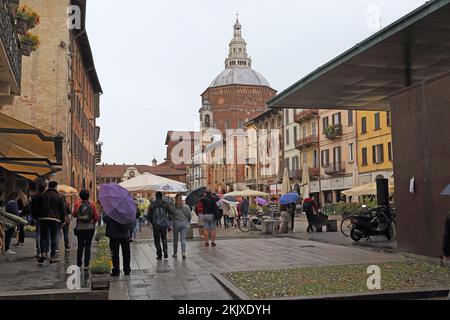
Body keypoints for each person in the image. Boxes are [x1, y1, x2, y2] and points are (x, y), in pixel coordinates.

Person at [36, 181, 66, 264]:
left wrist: (38, 217)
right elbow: (62, 210)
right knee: (54, 237)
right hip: (55, 219)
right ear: (56, 187)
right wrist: (63, 220)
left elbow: (38, 208)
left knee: (43, 236)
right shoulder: (59, 197)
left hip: (43, 218)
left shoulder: (42, 195)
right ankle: (53, 256)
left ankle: (43, 253)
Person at [72, 189, 99, 270]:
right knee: (88, 246)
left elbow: (74, 215)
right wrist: (93, 222)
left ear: (80, 196)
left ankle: (79, 264)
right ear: (88, 196)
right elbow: (96, 217)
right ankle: (86, 265)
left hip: (80, 228)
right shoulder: (92, 204)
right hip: (90, 228)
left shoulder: (77, 204)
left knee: (80, 246)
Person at [103, 211, 133, 277]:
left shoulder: (111, 210)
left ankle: (116, 271)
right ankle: (127, 269)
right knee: (126, 253)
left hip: (114, 234)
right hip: (125, 234)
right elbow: (131, 219)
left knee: (114, 254)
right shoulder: (126, 209)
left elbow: (105, 219)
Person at [4, 190, 28, 255]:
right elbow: (16, 212)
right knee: (10, 233)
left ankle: (9, 247)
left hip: (10, 219)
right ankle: (8, 248)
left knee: (10, 233)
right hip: (13, 220)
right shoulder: (15, 202)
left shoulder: (10, 202)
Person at [168, 194, 191, 259]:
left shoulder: (173, 207)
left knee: (175, 239)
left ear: (175, 200)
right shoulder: (186, 207)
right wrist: (187, 221)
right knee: (183, 239)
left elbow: (170, 213)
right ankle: (183, 252)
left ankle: (175, 253)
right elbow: (189, 215)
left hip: (176, 224)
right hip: (184, 223)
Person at [149, 192, 169, 260]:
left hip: (156, 225)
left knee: (157, 240)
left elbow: (149, 215)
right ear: (161, 196)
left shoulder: (152, 204)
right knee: (164, 237)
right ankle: (165, 250)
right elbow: (169, 213)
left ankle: (159, 254)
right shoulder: (165, 204)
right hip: (163, 224)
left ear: (156, 196)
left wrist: (152, 222)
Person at [31, 183, 47, 258]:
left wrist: (34, 217)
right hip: (45, 218)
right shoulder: (45, 197)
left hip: (37, 218)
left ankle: (38, 251)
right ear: (44, 189)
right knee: (45, 235)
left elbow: (31, 208)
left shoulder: (35, 197)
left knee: (38, 234)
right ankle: (45, 251)